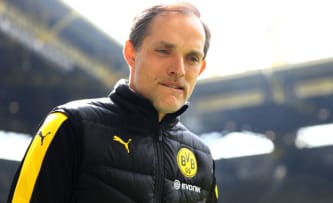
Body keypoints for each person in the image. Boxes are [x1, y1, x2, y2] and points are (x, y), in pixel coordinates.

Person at [7, 1, 218, 203]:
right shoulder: (71, 126)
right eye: (164, 51)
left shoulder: (203, 159)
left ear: (200, 68)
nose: (178, 70)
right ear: (131, 53)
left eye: (192, 58)